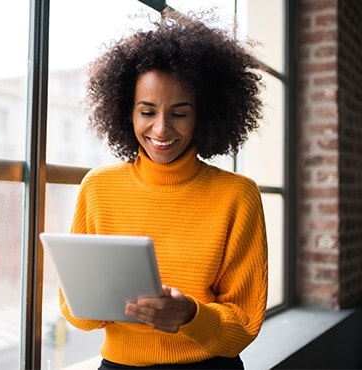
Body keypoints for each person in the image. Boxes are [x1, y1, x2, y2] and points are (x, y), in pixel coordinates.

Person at [60, 8, 269, 370]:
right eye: (147, 111)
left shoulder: (237, 195)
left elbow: (244, 327)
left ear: (203, 115)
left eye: (179, 113)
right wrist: (96, 302)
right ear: (126, 112)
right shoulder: (98, 187)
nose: (160, 129)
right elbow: (79, 317)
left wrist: (190, 315)